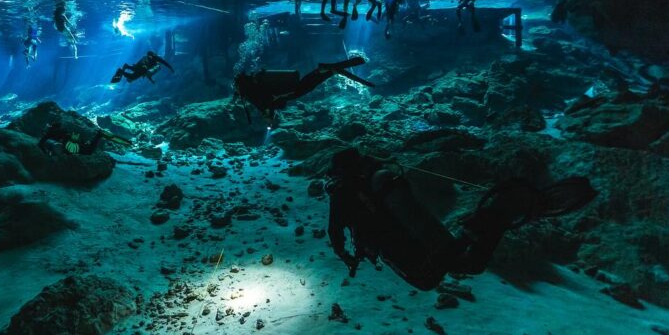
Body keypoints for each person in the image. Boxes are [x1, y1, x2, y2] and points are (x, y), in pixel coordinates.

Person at [324, 148, 597, 289]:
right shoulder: (378, 179)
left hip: (401, 245)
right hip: (422, 233)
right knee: (466, 263)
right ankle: (491, 219)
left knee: (428, 279)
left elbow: (335, 231)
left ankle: (495, 215)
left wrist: (348, 257)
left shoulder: (345, 191)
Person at [233, 57, 374, 127]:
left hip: (286, 92)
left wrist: (268, 116)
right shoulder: (251, 93)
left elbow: (266, 103)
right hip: (286, 91)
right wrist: (270, 115)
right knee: (306, 85)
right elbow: (269, 104)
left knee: (306, 86)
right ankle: (327, 71)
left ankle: (324, 70)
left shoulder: (251, 96)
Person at [38, 121, 130, 156]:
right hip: (71, 139)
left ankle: (99, 135)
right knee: (86, 149)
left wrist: (46, 153)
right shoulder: (58, 128)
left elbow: (40, 144)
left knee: (88, 151)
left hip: (69, 144)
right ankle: (97, 136)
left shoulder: (49, 134)